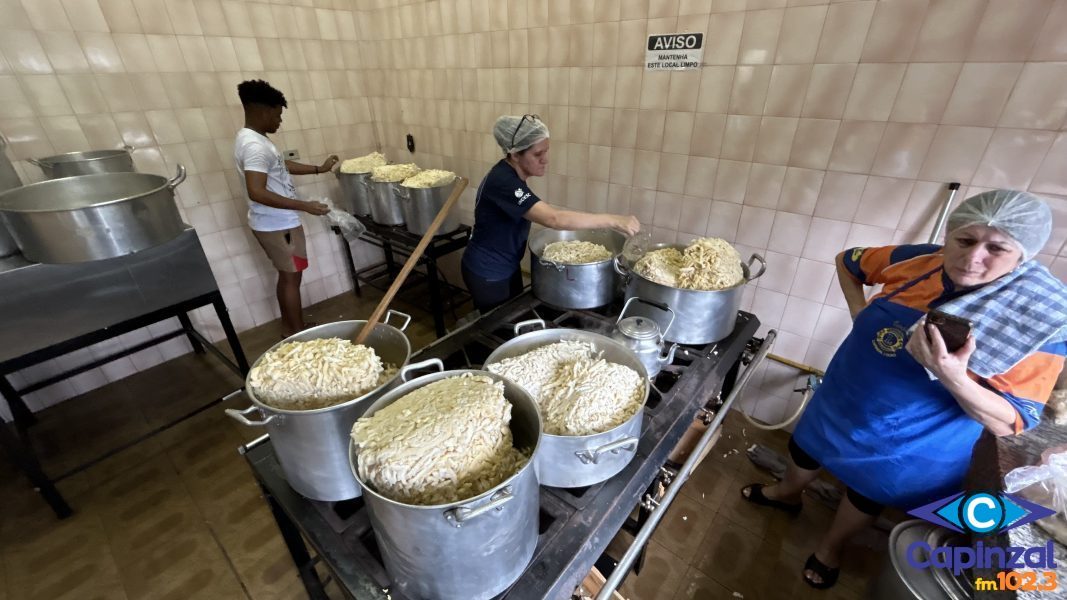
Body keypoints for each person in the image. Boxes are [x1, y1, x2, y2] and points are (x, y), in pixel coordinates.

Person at [741, 190, 1066, 589]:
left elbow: (1011, 421)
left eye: (996, 248)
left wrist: (952, 375)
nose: (972, 258)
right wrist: (859, 312)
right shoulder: (917, 260)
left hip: (912, 433)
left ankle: (830, 548)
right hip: (845, 393)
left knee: (868, 488)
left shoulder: (1039, 320)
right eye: (965, 240)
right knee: (805, 447)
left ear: (1022, 255)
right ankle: (786, 495)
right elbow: (848, 262)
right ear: (950, 235)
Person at [460, 114, 641, 311]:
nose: (545, 160)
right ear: (515, 155)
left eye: (546, 151)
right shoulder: (503, 181)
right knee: (498, 323)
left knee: (512, 316)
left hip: (506, 265)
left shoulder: (510, 175)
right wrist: (614, 220)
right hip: (488, 271)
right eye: (538, 154)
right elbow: (553, 219)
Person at [234, 79, 339, 336]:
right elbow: (257, 191)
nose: (280, 121)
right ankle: (298, 334)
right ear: (263, 111)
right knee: (291, 278)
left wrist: (319, 169)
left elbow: (281, 165)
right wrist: (305, 206)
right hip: (278, 226)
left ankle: (290, 329)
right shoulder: (255, 146)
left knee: (289, 275)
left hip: (275, 224)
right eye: (278, 115)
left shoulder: (253, 139)